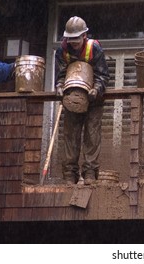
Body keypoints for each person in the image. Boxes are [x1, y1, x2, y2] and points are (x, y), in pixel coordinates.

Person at [55, 16, 110, 185]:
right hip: (72, 98)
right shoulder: (62, 51)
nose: (74, 43)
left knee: (92, 135)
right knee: (70, 135)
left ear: (84, 36)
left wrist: (97, 89)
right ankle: (70, 174)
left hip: (93, 99)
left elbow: (103, 75)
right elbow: (62, 74)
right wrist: (59, 86)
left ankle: (90, 172)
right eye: (71, 39)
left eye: (77, 39)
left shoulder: (94, 49)